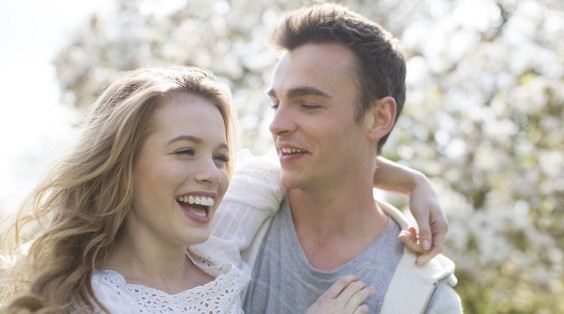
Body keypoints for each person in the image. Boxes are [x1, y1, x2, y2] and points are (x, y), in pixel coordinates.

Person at [0, 66, 447, 313]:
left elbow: (317, 159)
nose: (212, 176)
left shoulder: (222, 239)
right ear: (123, 168)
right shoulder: (88, 303)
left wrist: (412, 182)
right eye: (183, 152)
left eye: (219, 156)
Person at [239, 4, 463, 313]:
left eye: (308, 105)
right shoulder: (232, 214)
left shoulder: (427, 300)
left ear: (379, 117)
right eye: (277, 104)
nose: (277, 125)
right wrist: (413, 182)